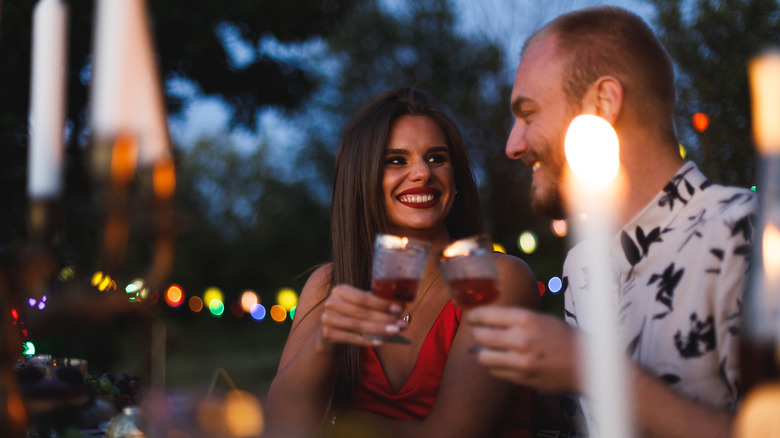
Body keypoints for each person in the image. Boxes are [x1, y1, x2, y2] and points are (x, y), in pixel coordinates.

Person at [467, 6, 758, 438]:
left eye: (528, 115)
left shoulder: (746, 235)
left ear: (602, 104)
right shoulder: (581, 266)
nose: (513, 145)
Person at [264, 87, 540, 438]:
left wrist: (333, 425)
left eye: (437, 158)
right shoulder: (328, 284)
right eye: (396, 160)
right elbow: (280, 425)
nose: (423, 173)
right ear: (363, 180)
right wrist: (326, 342)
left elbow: (453, 433)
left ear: (455, 179)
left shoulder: (498, 277)